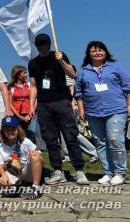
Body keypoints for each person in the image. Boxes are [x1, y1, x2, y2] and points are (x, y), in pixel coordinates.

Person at [28, 33, 88, 185]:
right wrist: (31, 105)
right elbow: (33, 86)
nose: (43, 48)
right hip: (44, 104)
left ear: (49, 44)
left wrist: (61, 61)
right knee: (50, 139)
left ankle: (79, 170)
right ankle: (57, 171)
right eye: (40, 45)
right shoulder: (33, 63)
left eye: (45, 45)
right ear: (37, 46)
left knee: (70, 136)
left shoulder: (59, 56)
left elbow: (73, 74)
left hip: (61, 101)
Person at [75, 41, 130, 186]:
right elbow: (79, 93)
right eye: (93, 51)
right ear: (89, 54)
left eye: (100, 50)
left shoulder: (115, 66)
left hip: (116, 109)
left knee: (115, 140)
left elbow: (129, 87)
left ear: (105, 52)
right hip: (93, 112)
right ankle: (108, 172)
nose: (97, 53)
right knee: (100, 143)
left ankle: (120, 172)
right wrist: (81, 110)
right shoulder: (83, 71)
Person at [0, 116, 44, 200]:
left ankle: (36, 187)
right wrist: (4, 175)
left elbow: (42, 161)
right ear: (3, 132)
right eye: (7, 129)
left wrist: (34, 155)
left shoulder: (26, 141)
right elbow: (0, 167)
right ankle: (21, 187)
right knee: (3, 185)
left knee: (35, 156)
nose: (10, 131)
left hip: (28, 171)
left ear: (18, 130)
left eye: (13, 129)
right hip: (14, 172)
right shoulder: (0, 146)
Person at [7, 66, 37, 142]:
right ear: (18, 75)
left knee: (31, 134)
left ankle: (32, 152)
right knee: (19, 135)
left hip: (30, 114)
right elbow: (10, 104)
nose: (26, 75)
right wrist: (20, 117)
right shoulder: (11, 87)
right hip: (17, 115)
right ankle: (19, 152)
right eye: (24, 73)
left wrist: (30, 113)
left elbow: (36, 99)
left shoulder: (30, 85)